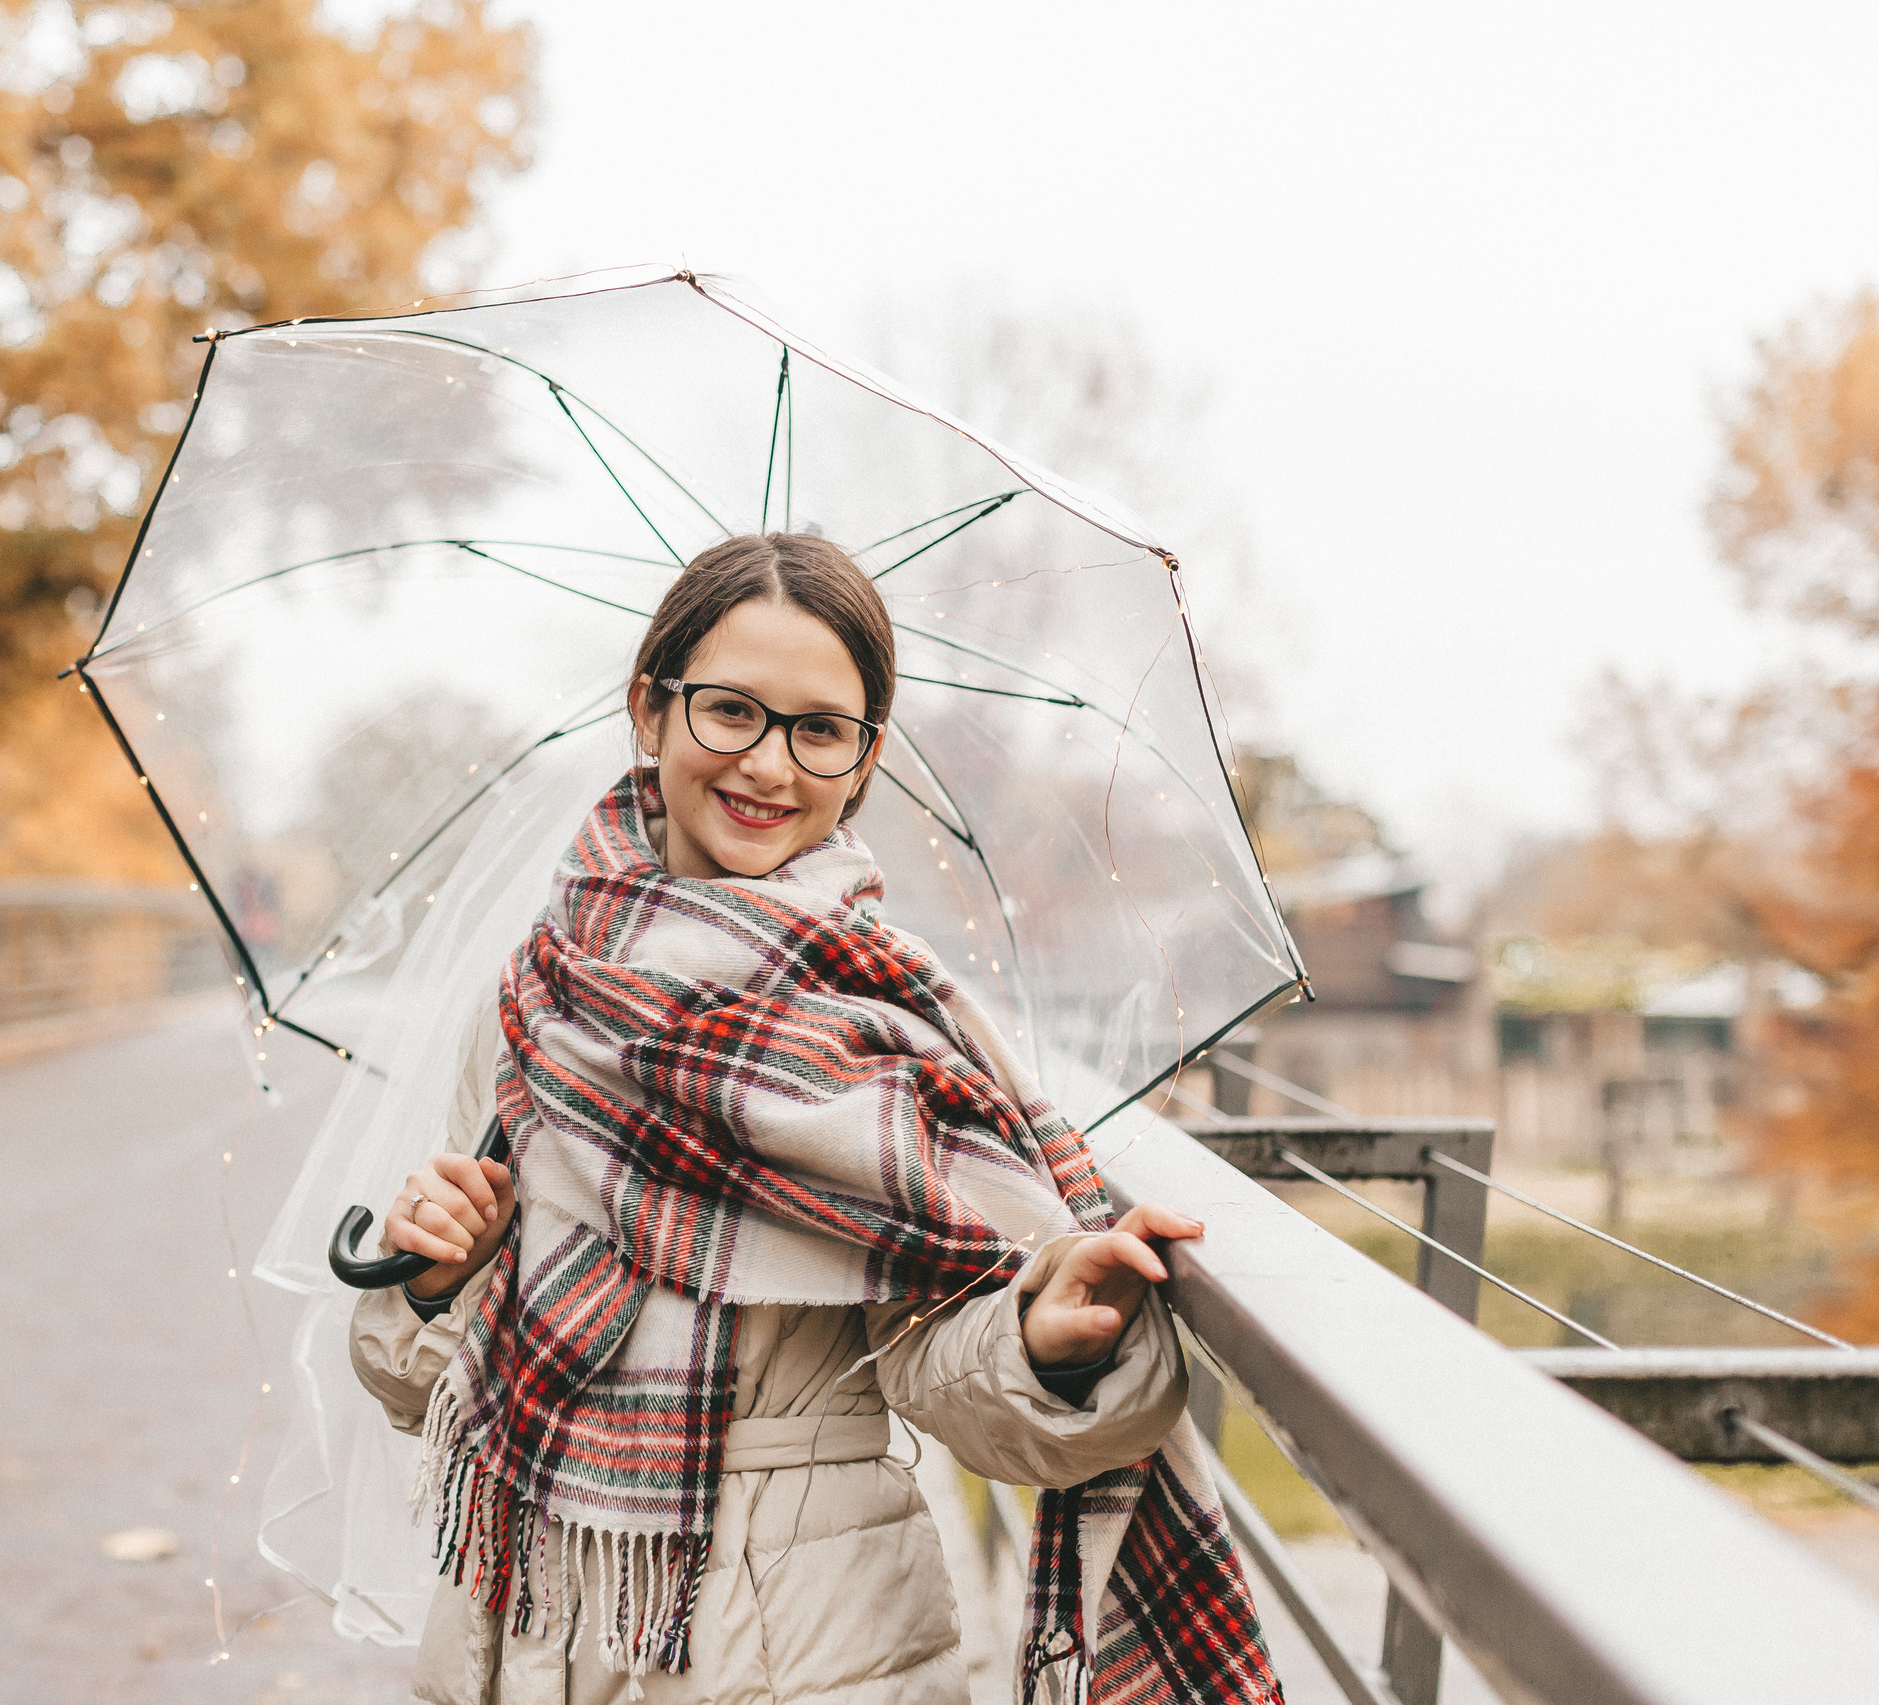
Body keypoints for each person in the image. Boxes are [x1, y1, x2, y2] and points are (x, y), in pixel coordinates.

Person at [348, 534, 1279, 1705]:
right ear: (650, 709)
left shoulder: (879, 1018)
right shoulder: (541, 992)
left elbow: (937, 1364)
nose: (768, 765)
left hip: (799, 1651)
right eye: (731, 710)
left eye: (819, 729)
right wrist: (431, 1279)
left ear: (864, 758)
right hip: (523, 1623)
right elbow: (429, 1390)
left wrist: (1042, 1341)